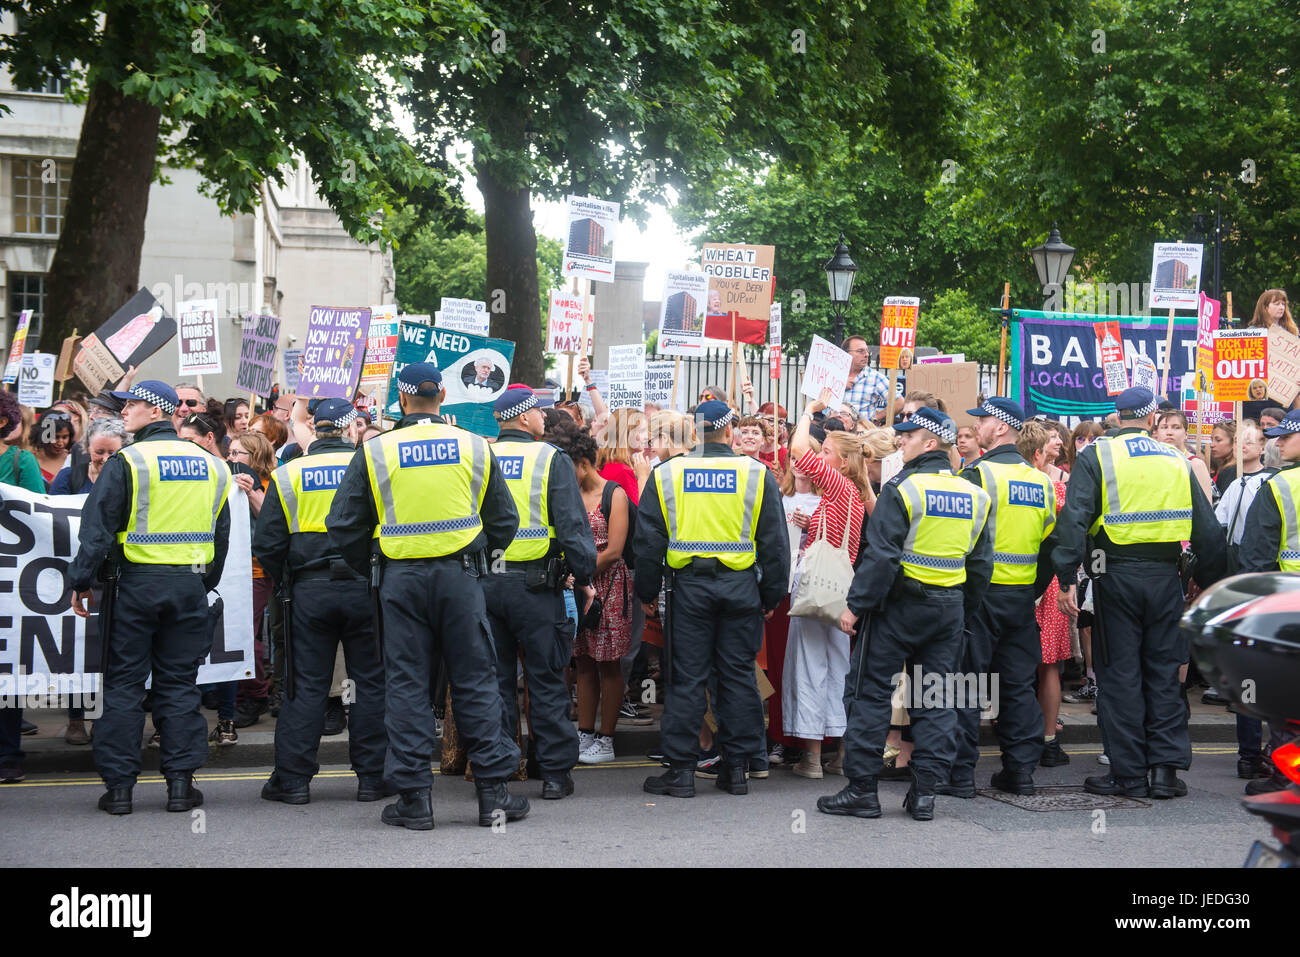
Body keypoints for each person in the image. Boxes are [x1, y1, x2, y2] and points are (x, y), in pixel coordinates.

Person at [327, 362, 527, 830]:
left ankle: (415, 800)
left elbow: (343, 524)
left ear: (401, 398)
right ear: (442, 397)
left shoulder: (376, 450)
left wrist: (375, 563)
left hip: (401, 581)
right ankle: (493, 796)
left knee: (406, 686)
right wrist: (482, 559)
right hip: (460, 579)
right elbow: (504, 518)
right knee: (475, 681)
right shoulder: (474, 446)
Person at [819, 407, 992, 821]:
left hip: (897, 609)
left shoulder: (904, 489)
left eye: (909, 437)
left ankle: (862, 790)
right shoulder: (975, 494)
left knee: (869, 694)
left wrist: (856, 606)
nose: (901, 442)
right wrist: (962, 610)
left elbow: (882, 557)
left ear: (930, 443)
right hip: (948, 610)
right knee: (936, 699)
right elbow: (981, 565)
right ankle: (925, 794)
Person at [67, 381, 231, 815]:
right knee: (178, 686)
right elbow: (221, 535)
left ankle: (120, 790)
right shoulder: (213, 466)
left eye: (133, 404)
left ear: (156, 410)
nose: (125, 412)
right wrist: (200, 582)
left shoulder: (129, 461)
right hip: (188, 588)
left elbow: (98, 528)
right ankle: (180, 786)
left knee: (123, 686)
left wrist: (82, 579)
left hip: (134, 586)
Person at [1053, 387, 1226, 799]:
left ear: (1118, 416)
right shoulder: (1178, 460)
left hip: (1115, 578)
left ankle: (1127, 774)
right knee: (1165, 674)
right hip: (1167, 579)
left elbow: (1073, 522)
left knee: (1119, 677)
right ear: (1151, 419)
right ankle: (1165, 772)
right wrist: (1210, 581)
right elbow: (1209, 535)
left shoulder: (1098, 455)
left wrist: (1064, 579)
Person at [636, 400, 789, 798]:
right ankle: (737, 769)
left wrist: (647, 593)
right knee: (738, 677)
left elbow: (649, 541)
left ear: (694, 431)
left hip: (689, 589)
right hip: (741, 588)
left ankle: (682, 772)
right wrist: (771, 594)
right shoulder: (757, 474)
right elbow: (774, 543)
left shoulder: (667, 474)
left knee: (688, 679)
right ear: (729, 431)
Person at [253, 399, 388, 804]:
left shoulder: (289, 472)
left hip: (309, 591)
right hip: (366, 587)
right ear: (351, 430)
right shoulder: (372, 468)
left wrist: (289, 581)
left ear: (316, 429)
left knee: (305, 686)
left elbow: (268, 543)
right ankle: (372, 778)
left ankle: (293, 781)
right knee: (369, 685)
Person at [481, 386, 597, 799]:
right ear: (525, 417)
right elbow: (571, 524)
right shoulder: (551, 458)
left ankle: (498, 773)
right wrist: (584, 578)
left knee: (494, 683)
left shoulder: (481, 455)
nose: (544, 419)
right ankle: (553, 774)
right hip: (536, 588)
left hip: (486, 586)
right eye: (538, 413)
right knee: (546, 681)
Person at [938, 399, 1056, 800]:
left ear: (1002, 428)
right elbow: (1050, 545)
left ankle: (960, 775)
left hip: (980, 597)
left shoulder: (977, 474)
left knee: (968, 683)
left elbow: (959, 536)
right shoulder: (1040, 481)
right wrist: (1031, 588)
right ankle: (1020, 772)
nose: (980, 426)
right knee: (1018, 685)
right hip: (1021, 598)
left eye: (985, 420)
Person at [783, 389, 871, 779]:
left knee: (810, 668)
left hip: (817, 585)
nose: (821, 456)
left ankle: (813, 758)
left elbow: (800, 449)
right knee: (839, 669)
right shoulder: (854, 494)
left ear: (843, 461)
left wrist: (807, 411)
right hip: (842, 588)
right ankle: (841, 754)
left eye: (828, 451)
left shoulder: (837, 485)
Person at [1233, 409, 1300, 793]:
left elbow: (1255, 558)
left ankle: (1286, 776)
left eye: (1287, 436)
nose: (1278, 442)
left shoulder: (1279, 486)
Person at [1155, 410, 1214, 500]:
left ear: (1186, 434)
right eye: (1164, 427)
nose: (1169, 432)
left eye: (1176, 427)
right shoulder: (1153, 461)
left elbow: (1205, 506)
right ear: (1157, 432)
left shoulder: (1195, 464)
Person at [842, 336, 891, 422]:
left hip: (861, 433)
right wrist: (840, 386)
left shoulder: (875, 377)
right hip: (831, 431)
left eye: (867, 351)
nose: (866, 354)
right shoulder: (835, 375)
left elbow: (899, 402)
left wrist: (876, 418)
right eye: (860, 351)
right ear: (847, 354)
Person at [31, 409, 75, 488]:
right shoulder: (30, 460)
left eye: (64, 437)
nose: (60, 443)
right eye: (55, 437)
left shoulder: (73, 460)